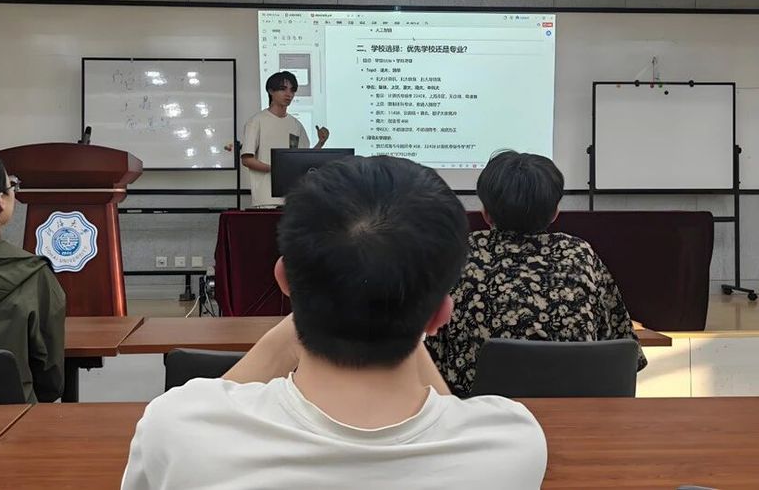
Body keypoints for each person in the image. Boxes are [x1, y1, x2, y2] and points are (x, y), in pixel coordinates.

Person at [122, 156, 546, 490]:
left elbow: (211, 405)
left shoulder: (178, 429)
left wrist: (310, 303)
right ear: (440, 315)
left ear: (283, 279)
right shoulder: (510, 443)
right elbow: (449, 414)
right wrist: (408, 314)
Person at [426, 150, 647, 398]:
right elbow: (618, 344)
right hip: (575, 409)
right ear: (555, 213)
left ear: (485, 213)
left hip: (476, 412)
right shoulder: (579, 253)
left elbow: (433, 351)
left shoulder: (460, 253)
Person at [0, 149, 65, 403]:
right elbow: (51, 382)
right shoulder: (34, 276)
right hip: (12, 420)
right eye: (12, 186)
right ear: (1, 201)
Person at [241, 71, 330, 207]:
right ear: (271, 91)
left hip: (293, 197)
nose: (289, 94)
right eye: (283, 89)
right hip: (266, 198)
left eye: (292, 90)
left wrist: (321, 143)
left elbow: (303, 159)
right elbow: (247, 159)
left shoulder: (296, 124)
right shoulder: (256, 121)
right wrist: (277, 169)